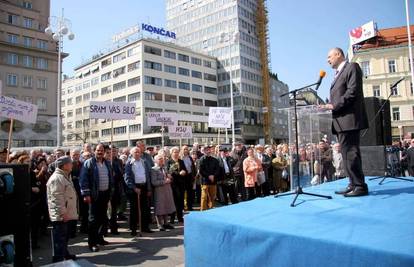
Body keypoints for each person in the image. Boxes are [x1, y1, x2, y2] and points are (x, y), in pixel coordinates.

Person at [320, 47, 369, 197]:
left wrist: (334, 105)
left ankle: (360, 186)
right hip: (341, 121)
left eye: (329, 56)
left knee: (352, 153)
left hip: (349, 119)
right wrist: (328, 106)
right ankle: (352, 183)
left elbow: (352, 92)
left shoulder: (351, 67)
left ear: (339, 54)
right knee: (346, 154)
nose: (328, 60)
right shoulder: (336, 74)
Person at [80, 144, 112, 252]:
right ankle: (92, 243)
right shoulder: (88, 163)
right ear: (94, 151)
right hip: (94, 196)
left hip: (105, 194)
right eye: (98, 150)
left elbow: (110, 177)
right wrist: (86, 194)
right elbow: (83, 180)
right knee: (93, 220)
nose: (100, 152)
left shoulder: (107, 163)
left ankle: (99, 238)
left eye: (102, 150)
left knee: (103, 218)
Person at [46, 156, 78, 263]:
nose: (72, 165)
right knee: (59, 239)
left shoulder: (64, 176)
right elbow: (56, 198)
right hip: (61, 215)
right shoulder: (57, 178)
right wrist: (63, 213)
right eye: (70, 163)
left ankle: (65, 254)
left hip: (66, 213)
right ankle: (58, 260)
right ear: (64, 166)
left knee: (64, 237)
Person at [124, 147, 153, 236]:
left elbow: (147, 176)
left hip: (143, 186)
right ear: (132, 154)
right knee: (134, 210)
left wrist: (148, 189)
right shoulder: (129, 163)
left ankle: (145, 227)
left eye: (138, 152)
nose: (137, 154)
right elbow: (127, 178)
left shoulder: (144, 162)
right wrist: (134, 188)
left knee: (145, 208)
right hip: (134, 188)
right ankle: (133, 228)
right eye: (135, 152)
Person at [150, 155, 176, 231]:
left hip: (167, 189)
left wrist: (170, 177)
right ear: (155, 161)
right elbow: (154, 182)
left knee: (166, 205)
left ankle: (166, 223)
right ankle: (159, 224)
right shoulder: (153, 169)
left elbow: (169, 178)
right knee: (159, 207)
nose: (161, 160)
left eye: (162, 159)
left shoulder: (164, 168)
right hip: (159, 190)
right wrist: (164, 181)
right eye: (160, 159)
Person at [166, 147, 187, 223]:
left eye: (177, 152)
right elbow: (169, 172)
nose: (176, 153)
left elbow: (185, 170)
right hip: (173, 184)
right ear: (171, 153)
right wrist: (179, 173)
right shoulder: (169, 162)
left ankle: (180, 217)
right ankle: (172, 218)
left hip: (181, 184)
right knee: (173, 201)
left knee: (180, 201)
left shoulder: (181, 161)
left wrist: (184, 172)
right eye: (175, 152)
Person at [198, 145, 220, 210]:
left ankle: (211, 209)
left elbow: (217, 169)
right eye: (206, 150)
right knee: (204, 197)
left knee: (212, 197)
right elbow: (201, 170)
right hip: (205, 181)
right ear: (204, 151)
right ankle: (203, 210)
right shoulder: (201, 159)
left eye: (209, 150)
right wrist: (209, 176)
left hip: (213, 181)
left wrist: (213, 175)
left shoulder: (215, 160)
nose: (208, 151)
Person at [180, 145, 196, 211]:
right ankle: (183, 207)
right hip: (182, 177)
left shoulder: (189, 157)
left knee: (190, 193)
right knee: (182, 193)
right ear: (182, 150)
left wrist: (194, 176)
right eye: (184, 149)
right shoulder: (180, 158)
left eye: (187, 149)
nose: (186, 150)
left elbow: (193, 167)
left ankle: (189, 206)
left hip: (189, 176)